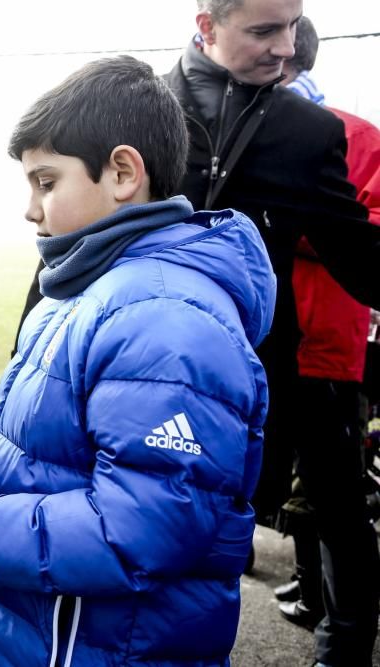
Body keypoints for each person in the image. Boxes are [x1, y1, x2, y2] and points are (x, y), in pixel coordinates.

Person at [0, 55, 274, 666]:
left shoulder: (166, 320)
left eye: (47, 182)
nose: (31, 209)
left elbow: (134, 534)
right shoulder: (87, 292)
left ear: (122, 173)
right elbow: (49, 446)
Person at [165, 2, 380, 664]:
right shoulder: (141, 103)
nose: (286, 47)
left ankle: (343, 646)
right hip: (150, 369)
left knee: (334, 502)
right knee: (161, 531)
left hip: (271, 375)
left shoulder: (309, 130)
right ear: (206, 26)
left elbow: (359, 253)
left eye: (292, 26)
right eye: (263, 30)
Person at [269, 16, 380, 638]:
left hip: (328, 346)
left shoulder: (359, 135)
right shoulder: (246, 129)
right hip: (266, 340)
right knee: (288, 490)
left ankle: (344, 637)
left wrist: (290, 224)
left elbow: (368, 232)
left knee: (336, 498)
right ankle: (310, 591)